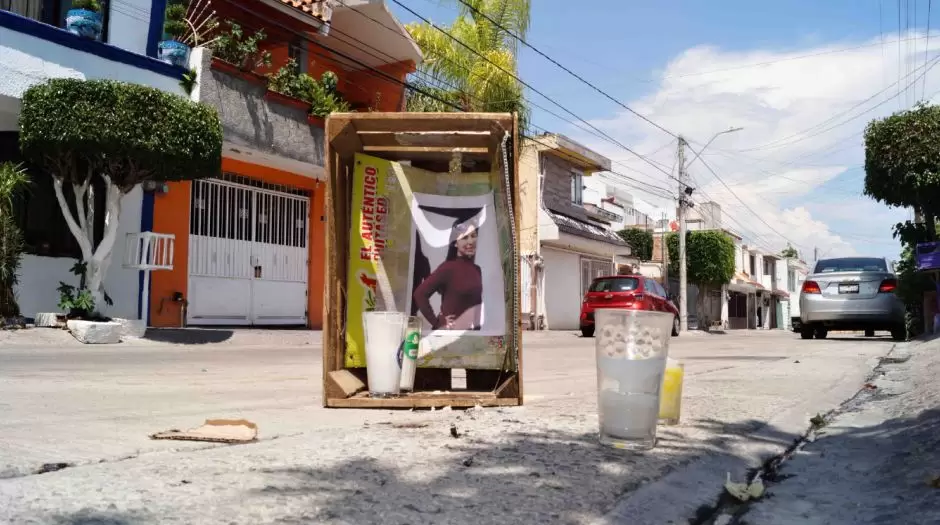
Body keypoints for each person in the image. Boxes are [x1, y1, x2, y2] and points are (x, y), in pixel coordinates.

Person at [413, 219, 483, 330]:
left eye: (473, 236)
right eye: (465, 237)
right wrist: (437, 323)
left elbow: (477, 303)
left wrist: (477, 329)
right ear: (455, 242)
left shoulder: (477, 270)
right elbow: (420, 294)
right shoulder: (448, 268)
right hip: (448, 336)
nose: (470, 241)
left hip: (469, 337)